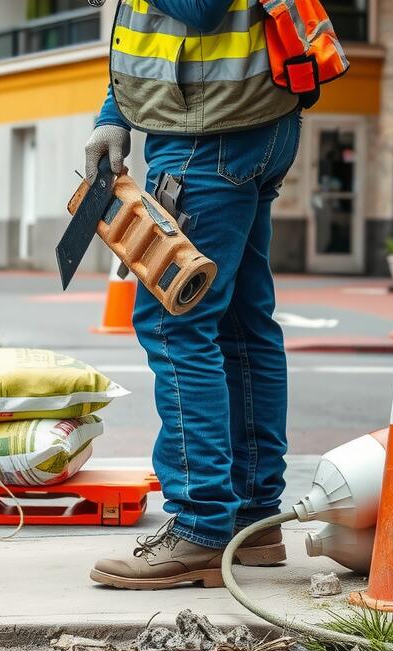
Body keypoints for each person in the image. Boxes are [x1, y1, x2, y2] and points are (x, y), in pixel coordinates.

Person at [86, 0, 303, 589]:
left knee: (175, 322)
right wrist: (115, 112)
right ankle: (252, 521)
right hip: (241, 120)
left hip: (208, 134)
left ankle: (201, 529)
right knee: (240, 323)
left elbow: (200, 9)